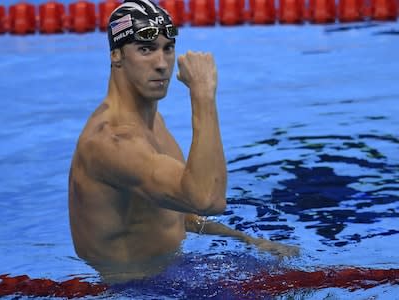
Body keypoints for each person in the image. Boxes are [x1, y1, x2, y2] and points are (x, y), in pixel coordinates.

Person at [68, 0, 299, 283]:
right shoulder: (112, 142)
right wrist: (202, 94)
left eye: (168, 48)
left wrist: (247, 240)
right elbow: (207, 199)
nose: (162, 64)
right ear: (116, 55)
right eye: (146, 49)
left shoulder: (153, 124)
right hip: (132, 291)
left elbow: (185, 213)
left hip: (172, 276)